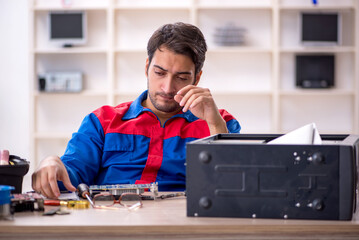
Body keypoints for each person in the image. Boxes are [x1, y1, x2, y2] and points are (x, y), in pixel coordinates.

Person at [32, 22, 241, 199]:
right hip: (113, 222)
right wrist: (52, 163)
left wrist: (215, 126)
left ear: (197, 78)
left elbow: (234, 186)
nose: (167, 88)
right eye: (159, 73)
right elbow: (70, 177)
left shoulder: (222, 123)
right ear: (147, 67)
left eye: (182, 78)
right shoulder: (102, 122)